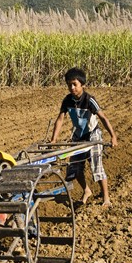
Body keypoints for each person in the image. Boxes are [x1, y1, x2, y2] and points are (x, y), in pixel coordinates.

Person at [50, 68, 118, 207]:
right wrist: (54, 140)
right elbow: (60, 119)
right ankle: (87, 190)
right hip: (78, 135)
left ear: (82, 84)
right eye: (69, 85)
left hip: (93, 134)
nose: (72, 87)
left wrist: (113, 136)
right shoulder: (67, 100)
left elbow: (103, 117)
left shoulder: (89, 100)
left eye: (75, 84)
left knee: (96, 166)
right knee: (74, 167)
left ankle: (106, 197)